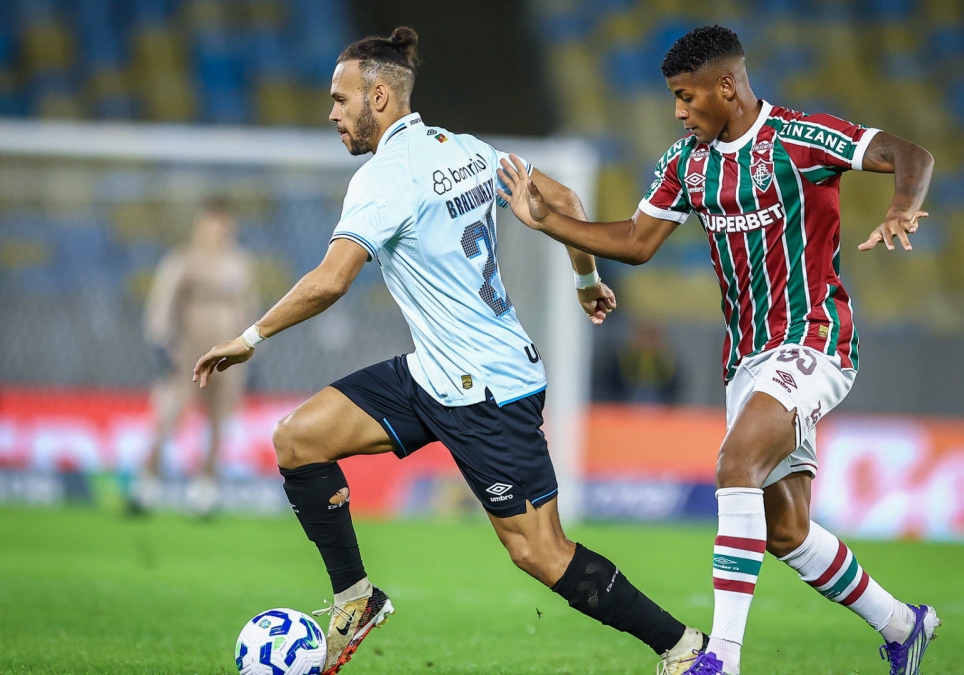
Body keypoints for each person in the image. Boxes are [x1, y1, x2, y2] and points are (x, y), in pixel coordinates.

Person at [193, 27, 708, 675]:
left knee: (540, 553)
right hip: (435, 373)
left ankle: (684, 650)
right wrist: (586, 279)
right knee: (299, 439)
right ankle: (356, 598)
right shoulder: (464, 149)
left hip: (489, 390)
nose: (331, 112)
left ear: (379, 96)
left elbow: (330, 279)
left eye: (339, 98)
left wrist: (249, 338)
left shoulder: (385, 178)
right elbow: (568, 201)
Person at [497, 25, 939, 675]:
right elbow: (639, 239)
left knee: (735, 463)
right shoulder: (687, 162)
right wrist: (550, 223)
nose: (678, 110)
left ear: (725, 86)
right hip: (747, 358)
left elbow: (911, 154)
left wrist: (902, 204)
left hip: (814, 339)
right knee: (786, 530)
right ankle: (905, 623)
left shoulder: (801, 138)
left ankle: (721, 660)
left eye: (685, 96)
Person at [131, 198, 257, 518]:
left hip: (228, 357)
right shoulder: (184, 261)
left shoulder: (239, 264)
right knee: (168, 416)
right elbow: (163, 302)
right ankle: (147, 482)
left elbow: (250, 311)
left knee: (218, 423)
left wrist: (252, 352)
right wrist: (161, 343)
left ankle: (205, 489)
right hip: (188, 353)